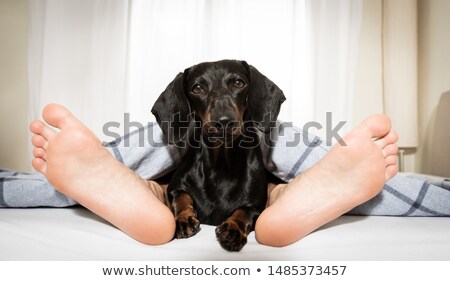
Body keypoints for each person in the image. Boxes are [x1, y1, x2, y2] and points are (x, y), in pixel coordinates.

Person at [27, 103, 399, 247]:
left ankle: (299, 188)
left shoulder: (257, 115)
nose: (221, 105)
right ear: (185, 98)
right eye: (202, 89)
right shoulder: (183, 119)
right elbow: (174, 138)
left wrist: (238, 218)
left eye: (236, 86)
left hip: (251, 165)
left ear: (255, 94)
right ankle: (131, 181)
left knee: (264, 173)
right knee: (172, 170)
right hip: (189, 163)